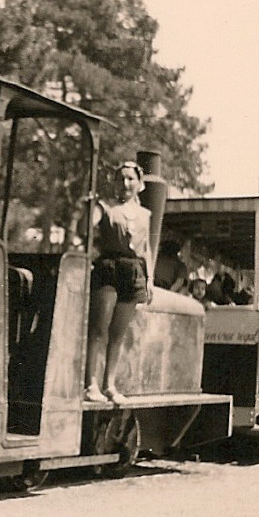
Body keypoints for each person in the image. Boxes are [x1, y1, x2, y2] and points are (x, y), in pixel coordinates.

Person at [85, 161, 153, 405]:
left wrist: (149, 280)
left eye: (130, 179)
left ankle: (109, 385)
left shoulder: (146, 215)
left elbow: (146, 249)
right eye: (121, 178)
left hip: (133, 271)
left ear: (139, 183)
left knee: (118, 334)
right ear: (115, 182)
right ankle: (91, 384)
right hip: (108, 268)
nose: (125, 183)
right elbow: (87, 228)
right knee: (98, 329)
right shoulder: (104, 207)